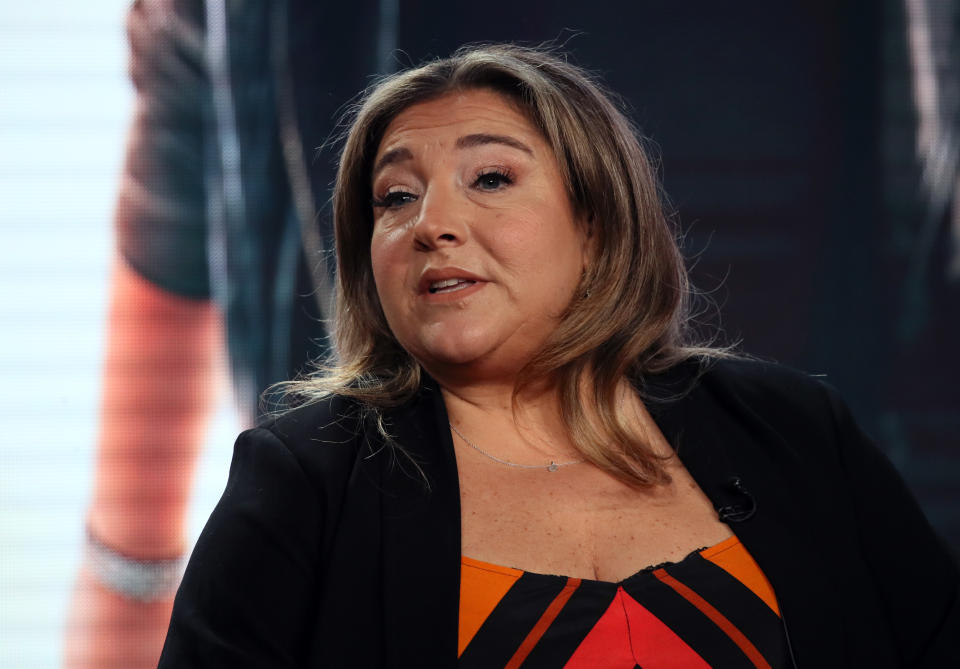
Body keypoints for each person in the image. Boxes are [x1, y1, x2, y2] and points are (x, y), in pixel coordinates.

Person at [156, 44, 959, 667]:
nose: (432, 222)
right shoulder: (303, 484)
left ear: (597, 225)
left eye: (492, 178)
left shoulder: (793, 428)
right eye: (395, 197)